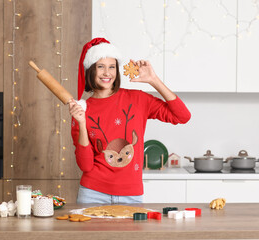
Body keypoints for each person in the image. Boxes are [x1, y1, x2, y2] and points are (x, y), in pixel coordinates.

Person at [69, 37, 191, 204]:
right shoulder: (81, 110)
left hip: (131, 195)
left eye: (112, 67)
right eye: (100, 67)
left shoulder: (137, 99)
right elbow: (85, 166)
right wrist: (81, 124)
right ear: (91, 70)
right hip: (92, 193)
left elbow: (182, 116)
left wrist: (153, 80)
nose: (107, 73)